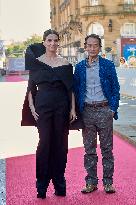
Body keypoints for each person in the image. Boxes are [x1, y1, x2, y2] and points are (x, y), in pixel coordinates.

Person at [21, 29, 76, 199]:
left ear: (58, 42)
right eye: (49, 40)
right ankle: (42, 185)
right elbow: (31, 87)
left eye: (55, 40)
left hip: (62, 106)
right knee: (44, 143)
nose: (52, 43)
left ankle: (59, 183)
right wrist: (31, 106)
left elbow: (71, 89)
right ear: (44, 42)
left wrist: (73, 109)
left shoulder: (66, 64)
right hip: (42, 106)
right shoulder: (36, 63)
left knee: (60, 144)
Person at [74, 34, 120, 194]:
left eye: (95, 45)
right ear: (85, 47)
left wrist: (112, 109)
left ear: (99, 47)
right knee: (89, 150)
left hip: (104, 110)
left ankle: (108, 183)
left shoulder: (108, 65)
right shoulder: (79, 67)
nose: (92, 48)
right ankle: (91, 183)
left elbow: (115, 88)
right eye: (89, 45)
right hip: (87, 112)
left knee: (107, 149)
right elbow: (76, 89)